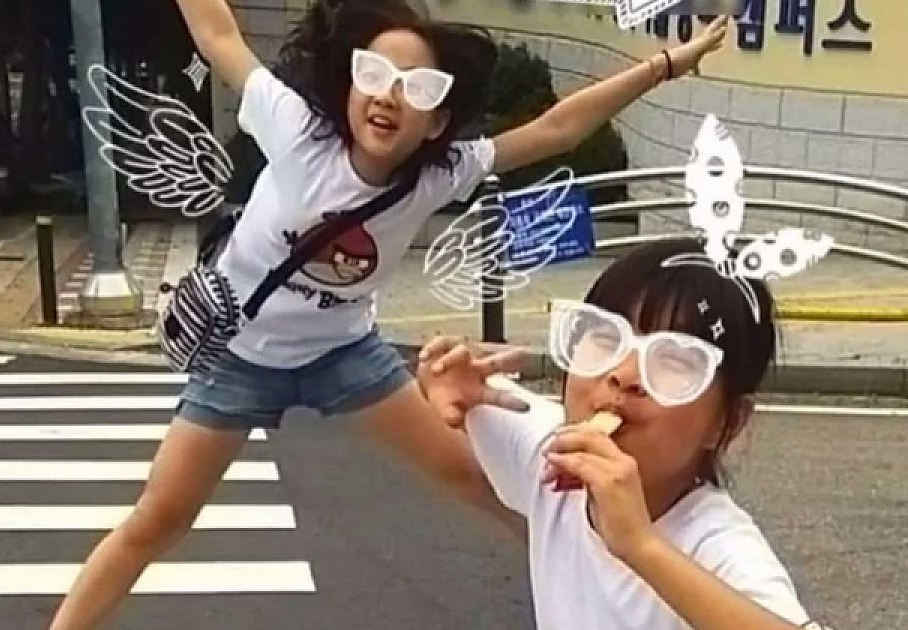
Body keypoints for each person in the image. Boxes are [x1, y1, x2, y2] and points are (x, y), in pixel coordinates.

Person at [49, 0, 727, 626]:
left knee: (476, 479)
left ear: (436, 121)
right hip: (239, 360)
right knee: (158, 520)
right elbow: (216, 32)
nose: (388, 96)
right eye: (374, 75)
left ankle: (603, 592)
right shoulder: (294, 129)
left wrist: (667, 64)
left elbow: (557, 130)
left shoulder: (438, 175)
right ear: (349, 86)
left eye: (416, 88)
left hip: (344, 354)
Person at [417, 238, 829, 630]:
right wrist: (446, 378)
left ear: (726, 423)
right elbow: (468, 393)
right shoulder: (549, 454)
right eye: (605, 337)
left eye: (674, 360)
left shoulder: (717, 546)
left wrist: (639, 544)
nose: (625, 373)